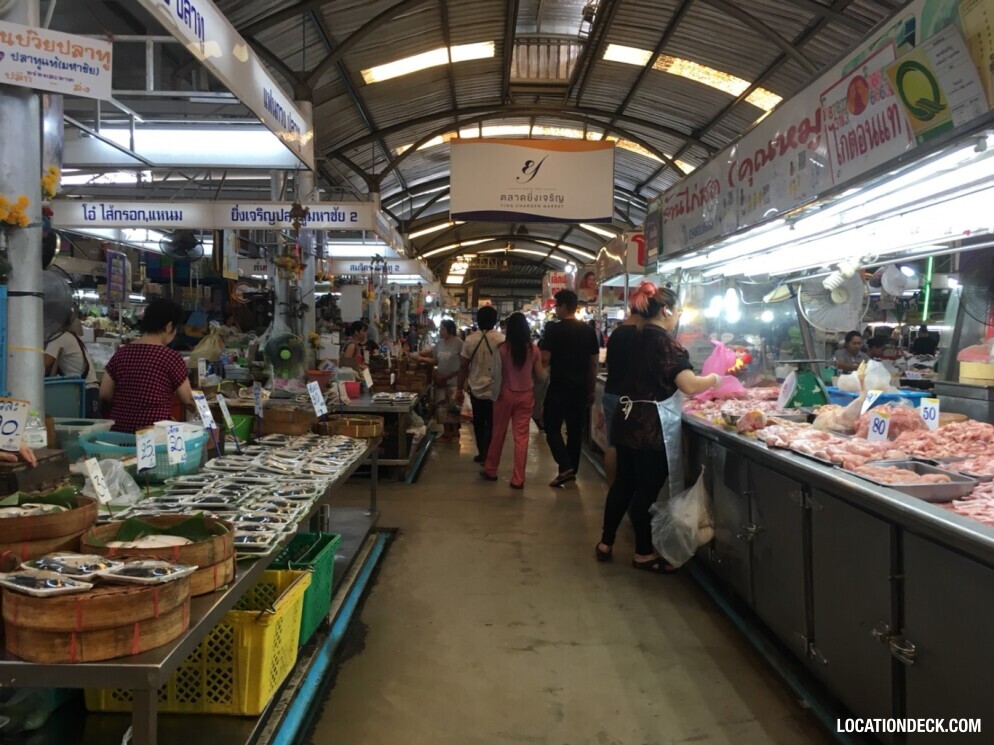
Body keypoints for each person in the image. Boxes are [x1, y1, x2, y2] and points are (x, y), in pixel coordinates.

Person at [596, 282, 722, 573]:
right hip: (650, 428)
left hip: (627, 421)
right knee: (646, 492)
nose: (677, 317)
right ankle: (643, 553)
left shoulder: (632, 335)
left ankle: (605, 542)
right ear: (665, 310)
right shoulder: (664, 342)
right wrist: (715, 379)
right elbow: (689, 385)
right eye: (677, 311)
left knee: (623, 484)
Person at [100, 299, 194, 433]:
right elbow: (188, 399)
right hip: (153, 433)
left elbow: (105, 393)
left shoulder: (122, 352)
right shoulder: (171, 357)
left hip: (120, 431)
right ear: (169, 326)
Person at [539, 289, 599, 487]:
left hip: (559, 387)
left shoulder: (554, 330)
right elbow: (593, 363)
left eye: (556, 306)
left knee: (551, 426)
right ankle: (572, 469)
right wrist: (591, 389)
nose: (555, 310)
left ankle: (565, 467)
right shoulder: (589, 331)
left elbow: (545, 358)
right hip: (580, 388)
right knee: (575, 431)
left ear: (564, 306)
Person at [480, 313, 544, 489]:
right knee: (521, 437)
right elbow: (540, 376)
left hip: (504, 395)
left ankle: (491, 469)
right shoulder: (533, 350)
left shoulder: (502, 349)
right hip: (526, 396)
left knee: (498, 433)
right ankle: (518, 478)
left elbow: (494, 373)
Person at [456, 306, 504, 463]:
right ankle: (489, 453)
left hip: (475, 387)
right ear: (495, 320)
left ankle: (482, 453)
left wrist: (458, 389)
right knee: (492, 423)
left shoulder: (470, 340)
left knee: (478, 422)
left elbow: (463, 366)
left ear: (477, 320)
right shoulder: (501, 339)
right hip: (495, 389)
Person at [602, 307, 642, 487]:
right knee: (631, 447)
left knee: (612, 444)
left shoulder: (617, 334)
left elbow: (609, 363)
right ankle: (628, 490)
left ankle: (612, 489)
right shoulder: (643, 335)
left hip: (611, 391)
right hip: (632, 398)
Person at [44, 319, 100, 417]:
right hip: (87, 389)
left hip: (85, 391)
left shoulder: (59, 338)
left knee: (84, 425)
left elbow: (42, 364)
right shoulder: (68, 335)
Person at [419, 320, 464, 442]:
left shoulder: (459, 343)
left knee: (453, 407)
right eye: (440, 329)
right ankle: (446, 432)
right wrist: (421, 358)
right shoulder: (439, 343)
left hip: (454, 381)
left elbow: (464, 364)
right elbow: (435, 360)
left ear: (450, 329)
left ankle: (455, 432)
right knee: (442, 407)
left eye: (443, 329)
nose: (440, 331)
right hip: (441, 381)